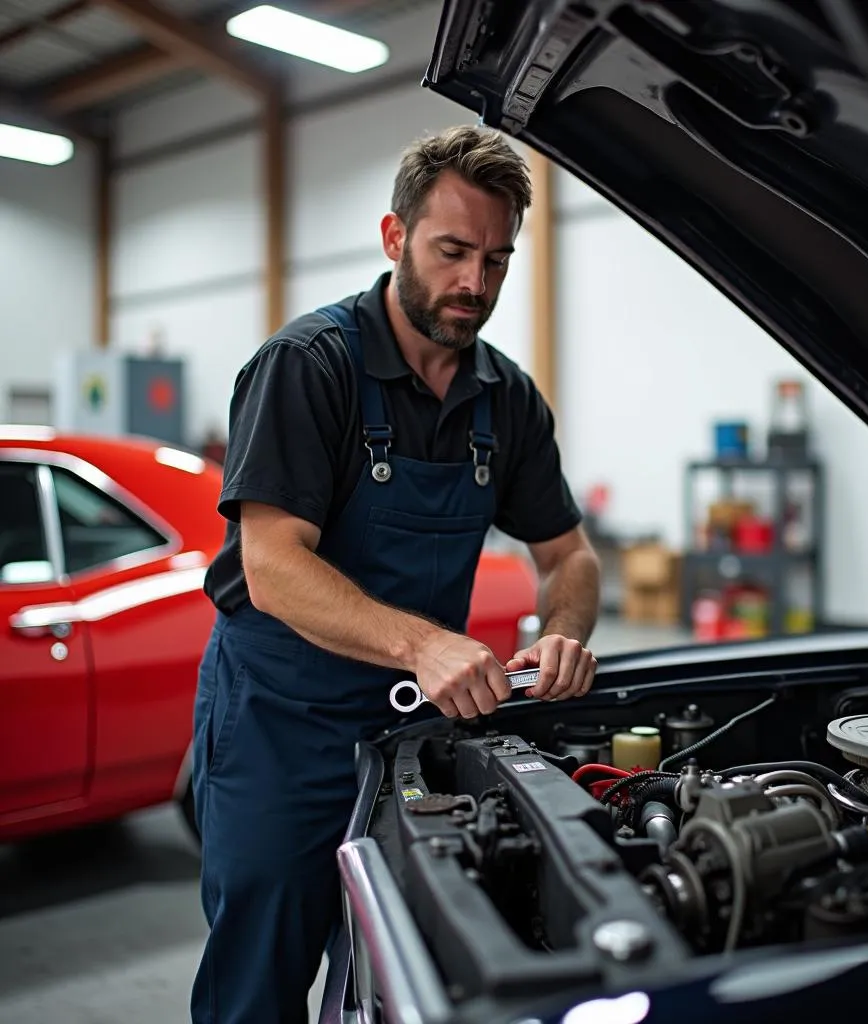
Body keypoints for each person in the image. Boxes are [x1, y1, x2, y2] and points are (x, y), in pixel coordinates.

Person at [189, 125, 602, 1024]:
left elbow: (569, 554)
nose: (475, 284)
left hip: (410, 736)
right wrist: (424, 642)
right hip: (280, 727)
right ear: (393, 237)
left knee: (400, 977)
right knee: (260, 975)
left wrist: (564, 630)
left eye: (496, 260)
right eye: (453, 251)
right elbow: (272, 568)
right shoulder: (310, 366)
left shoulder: (506, 398)